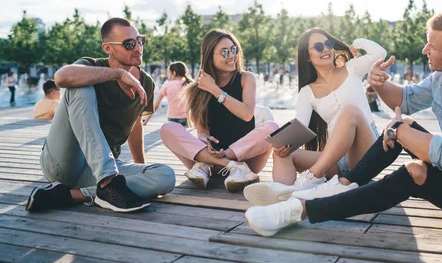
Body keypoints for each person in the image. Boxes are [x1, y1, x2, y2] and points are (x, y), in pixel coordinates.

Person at [244, 10, 442, 237]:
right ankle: (338, 185)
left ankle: (301, 210)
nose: (424, 50)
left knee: (415, 171)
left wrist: (399, 130)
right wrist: (379, 83)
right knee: (401, 125)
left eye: (432, 45)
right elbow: (405, 100)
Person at [25, 18, 176, 213]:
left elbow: (135, 124)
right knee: (80, 86)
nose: (138, 47)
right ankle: (107, 182)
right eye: (129, 44)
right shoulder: (90, 65)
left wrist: (140, 167)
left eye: (140, 40)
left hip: (96, 171)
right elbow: (61, 78)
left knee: (165, 175)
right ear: (108, 48)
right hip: (63, 162)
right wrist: (118, 74)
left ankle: (72, 195)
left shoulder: (146, 83)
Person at [243, 28, 386, 205]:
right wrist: (285, 145)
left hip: (367, 152)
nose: (325, 49)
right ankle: (284, 198)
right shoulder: (307, 92)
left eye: (329, 44)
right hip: (336, 160)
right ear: (307, 56)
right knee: (282, 153)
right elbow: (299, 130)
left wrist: (356, 44)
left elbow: (380, 53)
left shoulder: (352, 68)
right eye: (318, 47)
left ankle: (309, 180)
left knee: (350, 111)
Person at [160, 29, 279, 192]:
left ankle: (234, 165)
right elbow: (202, 131)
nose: (231, 55)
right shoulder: (197, 90)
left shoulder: (246, 79)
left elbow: (246, 114)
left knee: (272, 128)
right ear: (209, 56)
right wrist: (205, 141)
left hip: (246, 160)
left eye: (233, 49)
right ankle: (228, 166)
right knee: (167, 129)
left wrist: (215, 90)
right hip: (208, 161)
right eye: (224, 52)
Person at [144, 61, 191, 127]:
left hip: (172, 119)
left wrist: (146, 121)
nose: (168, 75)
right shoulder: (188, 85)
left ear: (174, 73)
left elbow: (156, 105)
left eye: (169, 72)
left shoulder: (167, 85)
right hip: (185, 119)